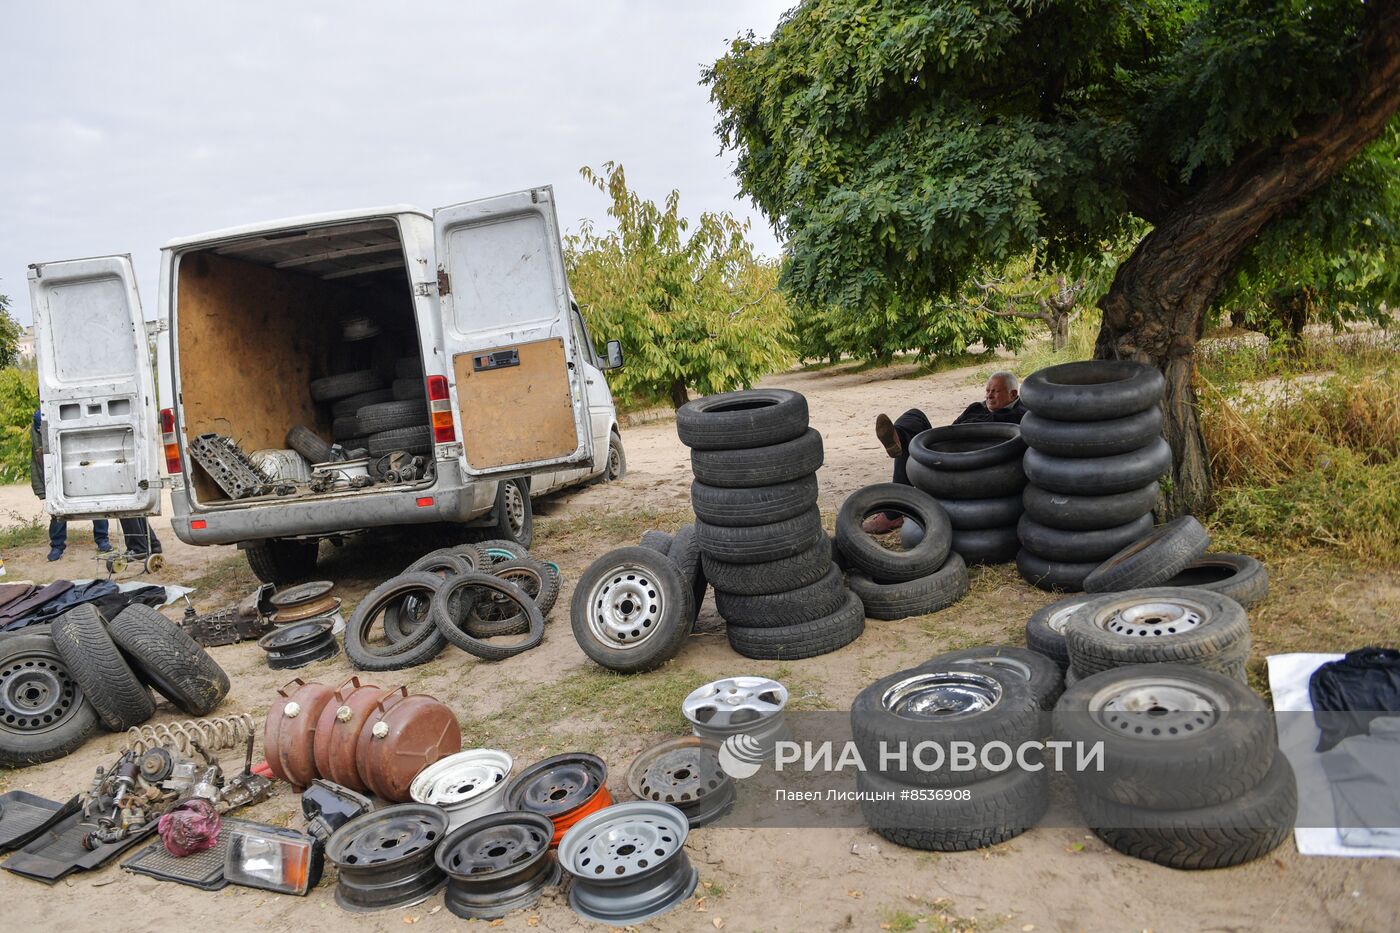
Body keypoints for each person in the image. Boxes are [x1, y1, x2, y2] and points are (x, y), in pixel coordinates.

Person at [863, 371, 1026, 533]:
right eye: (987, 391)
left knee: (916, 448)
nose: (989, 396)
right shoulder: (976, 409)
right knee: (914, 416)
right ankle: (897, 439)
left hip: (976, 469)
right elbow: (950, 431)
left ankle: (893, 513)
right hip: (947, 458)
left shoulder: (1021, 417)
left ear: (1012, 394)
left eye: (995, 391)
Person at [31, 408, 163, 560]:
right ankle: (151, 544)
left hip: (110, 457)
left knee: (124, 503)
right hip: (119, 453)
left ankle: (138, 547)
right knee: (130, 502)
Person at [31, 408, 114, 561]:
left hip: (82, 457)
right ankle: (57, 545)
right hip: (58, 463)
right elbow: (44, 444)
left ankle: (102, 540)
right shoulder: (40, 415)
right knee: (58, 506)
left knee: (94, 499)